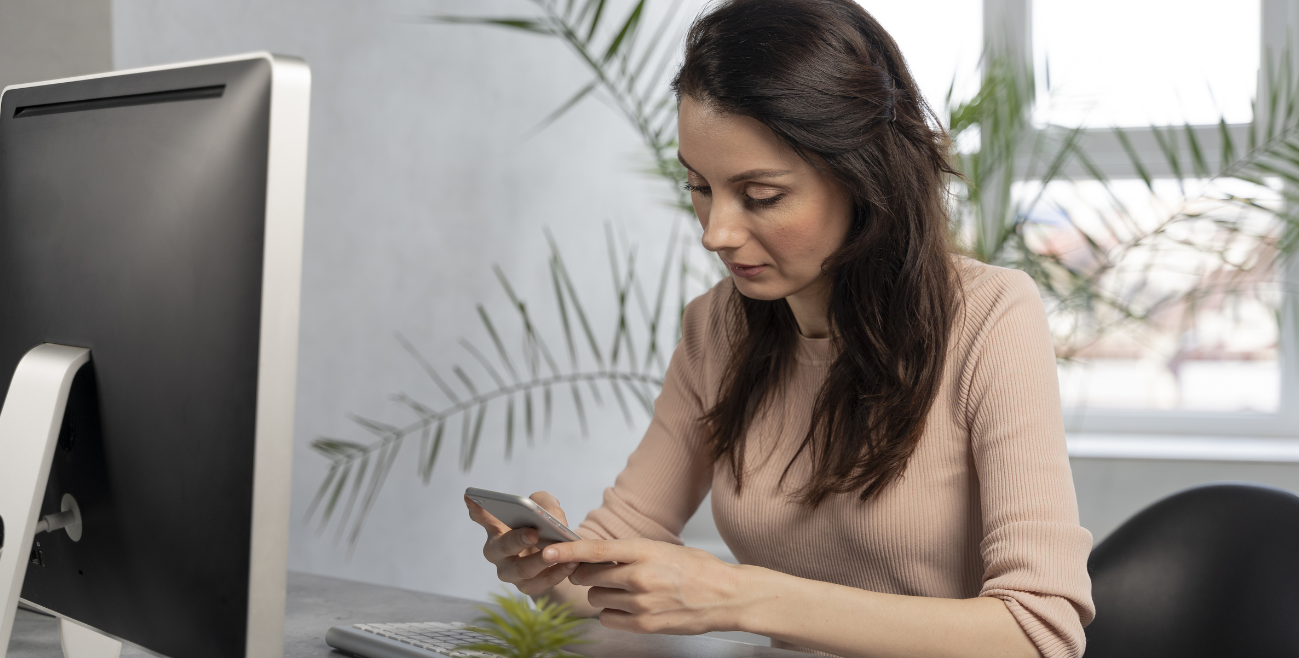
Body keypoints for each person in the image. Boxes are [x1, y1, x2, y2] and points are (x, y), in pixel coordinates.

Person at [465, 1, 1094, 656]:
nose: (716, 233)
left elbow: (1037, 632)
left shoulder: (992, 317)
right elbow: (618, 553)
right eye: (699, 185)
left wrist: (739, 595)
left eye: (760, 195)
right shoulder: (716, 328)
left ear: (861, 175)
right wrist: (550, 566)